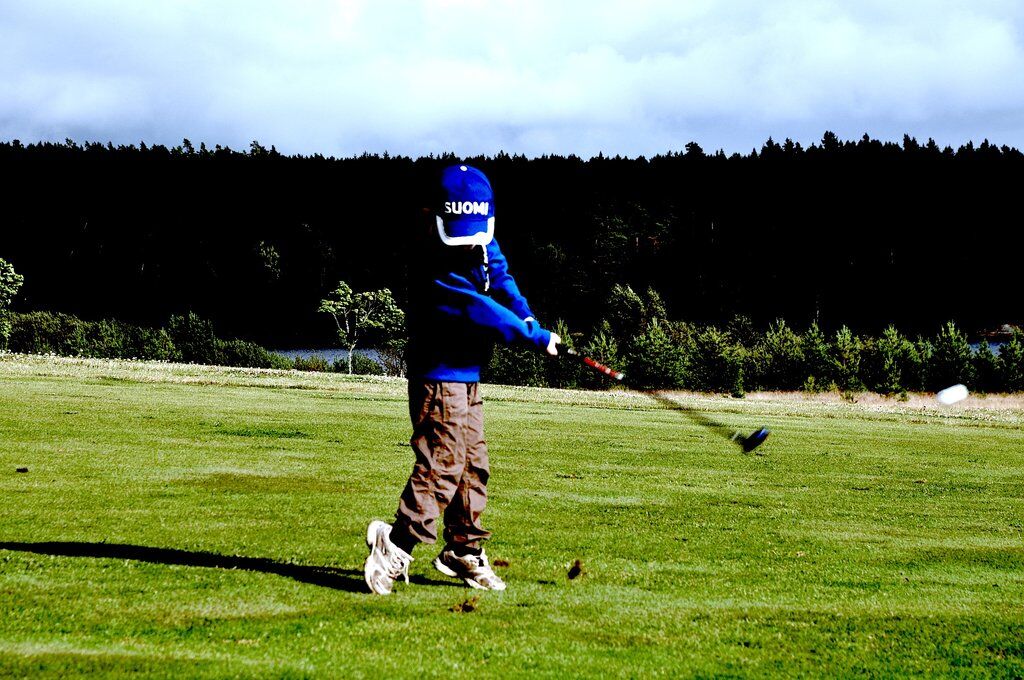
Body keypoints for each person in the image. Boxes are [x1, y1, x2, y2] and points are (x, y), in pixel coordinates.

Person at [363, 164, 559, 595]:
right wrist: (536, 337)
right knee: (442, 463)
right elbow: (478, 308)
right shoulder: (433, 262)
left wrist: (528, 316)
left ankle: (463, 549)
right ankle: (395, 544)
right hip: (438, 377)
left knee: (472, 464)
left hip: (467, 376)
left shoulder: (481, 241)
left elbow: (500, 277)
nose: (468, 242)